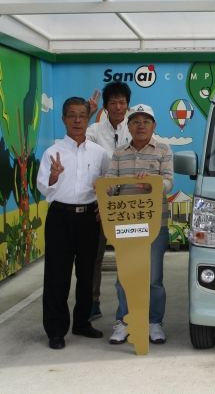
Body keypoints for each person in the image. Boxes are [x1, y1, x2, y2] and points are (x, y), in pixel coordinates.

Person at [37, 97, 110, 350]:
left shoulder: (99, 153)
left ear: (88, 119)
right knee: (57, 275)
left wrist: (102, 204)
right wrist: (54, 175)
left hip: (89, 218)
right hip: (60, 217)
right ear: (64, 119)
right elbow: (44, 188)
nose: (77, 120)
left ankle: (82, 322)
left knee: (87, 272)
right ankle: (56, 330)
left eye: (82, 115)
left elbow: (106, 184)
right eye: (72, 115)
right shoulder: (52, 153)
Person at [105, 104, 173, 345]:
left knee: (153, 277)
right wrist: (104, 188)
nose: (140, 126)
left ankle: (154, 322)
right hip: (125, 223)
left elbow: (168, 182)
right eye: (135, 121)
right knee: (125, 275)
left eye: (146, 121)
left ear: (154, 126)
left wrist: (152, 183)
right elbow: (111, 182)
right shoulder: (119, 153)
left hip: (155, 223)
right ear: (128, 126)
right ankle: (124, 321)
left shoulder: (163, 150)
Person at [86, 81, 132, 321]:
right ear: (105, 106)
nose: (118, 107)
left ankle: (130, 306)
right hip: (99, 203)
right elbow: (77, 143)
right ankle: (92, 303)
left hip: (129, 203)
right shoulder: (94, 131)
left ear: (128, 105)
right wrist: (88, 114)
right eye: (113, 102)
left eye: (122, 102)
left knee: (129, 256)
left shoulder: (135, 127)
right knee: (94, 255)